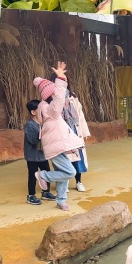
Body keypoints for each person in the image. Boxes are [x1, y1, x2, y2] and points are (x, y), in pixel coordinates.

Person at [32, 62, 83, 211]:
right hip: (57, 146)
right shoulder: (51, 110)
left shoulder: (44, 109)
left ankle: (61, 200)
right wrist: (61, 79)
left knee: (63, 174)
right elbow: (59, 100)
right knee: (70, 172)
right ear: (51, 95)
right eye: (54, 93)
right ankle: (44, 176)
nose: (58, 95)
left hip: (57, 145)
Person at [59, 73, 91, 192]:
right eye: (61, 80)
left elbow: (80, 115)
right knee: (64, 159)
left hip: (75, 131)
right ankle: (65, 183)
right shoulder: (54, 98)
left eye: (65, 80)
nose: (63, 82)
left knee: (78, 158)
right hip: (63, 132)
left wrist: (85, 131)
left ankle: (78, 182)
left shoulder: (73, 97)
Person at [24, 100, 55, 205]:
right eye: (41, 109)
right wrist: (45, 135)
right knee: (32, 176)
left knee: (47, 173)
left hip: (43, 155)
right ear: (33, 112)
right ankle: (31, 195)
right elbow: (33, 141)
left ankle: (46, 192)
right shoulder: (30, 125)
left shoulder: (44, 123)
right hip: (33, 156)